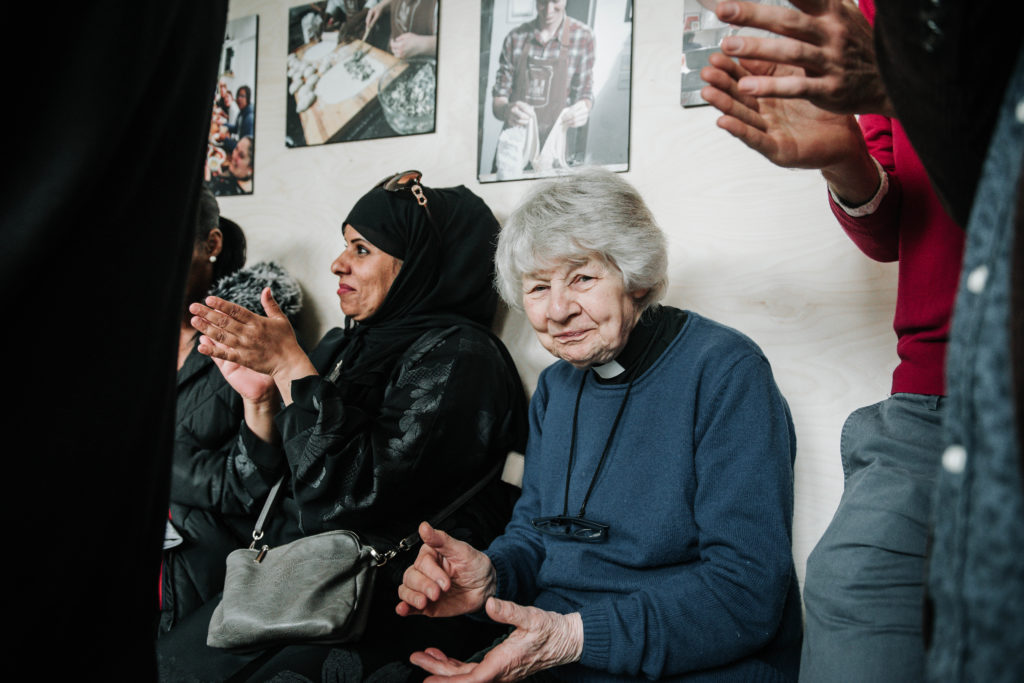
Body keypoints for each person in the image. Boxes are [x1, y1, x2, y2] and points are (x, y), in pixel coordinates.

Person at [701, 1, 1024, 679]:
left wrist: (902, 78)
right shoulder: (885, 13)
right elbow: (894, 226)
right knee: (852, 582)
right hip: (932, 395)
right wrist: (844, 160)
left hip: (1004, 368)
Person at [396, 168, 802, 681]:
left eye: (583, 278)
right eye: (539, 287)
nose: (559, 310)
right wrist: (490, 576)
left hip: (692, 661)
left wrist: (570, 637)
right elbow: (537, 535)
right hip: (558, 649)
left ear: (637, 277)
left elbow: (745, 592)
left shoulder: (725, 370)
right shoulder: (555, 388)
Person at [162, 171, 528, 680]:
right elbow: (253, 490)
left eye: (361, 250)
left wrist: (292, 367)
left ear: (420, 261)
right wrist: (261, 402)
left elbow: (351, 500)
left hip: (385, 597)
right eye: (344, 246)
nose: (337, 263)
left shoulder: (461, 356)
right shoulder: (342, 345)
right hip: (296, 580)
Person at [160, 189, 303, 635]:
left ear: (213, 244)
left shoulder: (249, 344)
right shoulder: (121, 340)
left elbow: (248, 487)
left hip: (199, 568)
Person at [490, 0, 595, 178]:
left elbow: (585, 94)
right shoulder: (515, 38)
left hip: (556, 150)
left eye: (555, 1)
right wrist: (508, 110)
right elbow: (497, 102)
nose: (548, 10)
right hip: (516, 150)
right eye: (542, 1)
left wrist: (583, 109)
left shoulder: (583, 37)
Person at [365, 0, 437, 59]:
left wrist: (422, 44)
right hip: (393, 57)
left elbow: (447, 45)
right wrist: (382, 5)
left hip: (423, 66)